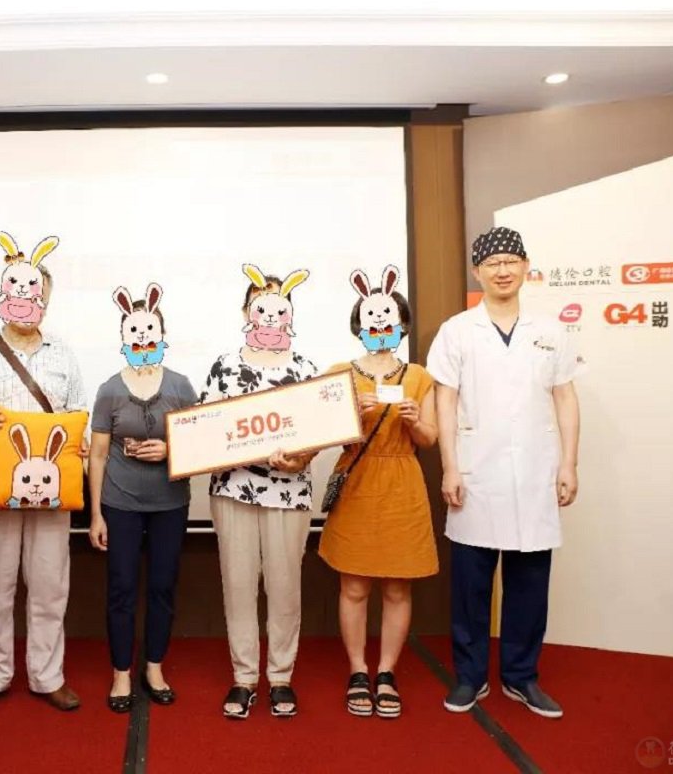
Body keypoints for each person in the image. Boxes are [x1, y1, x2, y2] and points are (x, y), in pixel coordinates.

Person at [427, 227, 581, 719]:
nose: (503, 270)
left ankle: (521, 676)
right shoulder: (456, 331)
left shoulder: (550, 331)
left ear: (526, 266)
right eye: (492, 263)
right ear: (477, 271)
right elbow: (445, 401)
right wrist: (450, 466)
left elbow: (565, 397)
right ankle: (470, 676)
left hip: (537, 470)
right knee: (470, 586)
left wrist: (569, 462)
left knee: (530, 583)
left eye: (511, 261)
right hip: (476, 472)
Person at [0, 232, 87, 716]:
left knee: (50, 585)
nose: (27, 300)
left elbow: (79, 416)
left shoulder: (64, 354)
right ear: (4, 294)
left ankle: (48, 677)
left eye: (36, 293)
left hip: (52, 493)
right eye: (19, 290)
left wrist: (77, 443)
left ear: (45, 300)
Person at [317, 265, 438, 720]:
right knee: (352, 586)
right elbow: (322, 432)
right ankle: (357, 670)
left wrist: (414, 420)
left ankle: (386, 672)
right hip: (358, 481)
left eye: (389, 315)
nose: (381, 322)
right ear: (359, 323)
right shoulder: (338, 374)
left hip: (402, 483)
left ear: (402, 323)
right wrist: (351, 413)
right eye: (371, 315)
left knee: (398, 587)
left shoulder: (419, 377)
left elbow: (429, 438)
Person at [200, 264, 320, 720]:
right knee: (238, 583)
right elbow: (204, 428)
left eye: (277, 308)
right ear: (247, 312)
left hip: (289, 492)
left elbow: (319, 430)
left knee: (285, 586)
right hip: (233, 489)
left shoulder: (305, 368)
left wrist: (303, 457)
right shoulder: (225, 366)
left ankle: (281, 677)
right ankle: (244, 677)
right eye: (259, 307)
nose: (269, 315)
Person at [88, 283, 198, 713]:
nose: (142, 337)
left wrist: (171, 450)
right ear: (124, 336)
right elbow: (98, 454)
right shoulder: (110, 390)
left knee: (162, 586)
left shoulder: (181, 386)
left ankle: (154, 667)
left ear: (161, 333)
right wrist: (96, 514)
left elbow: (199, 443)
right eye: (134, 330)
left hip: (171, 503)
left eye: (149, 330)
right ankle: (121, 672)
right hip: (120, 504)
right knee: (121, 588)